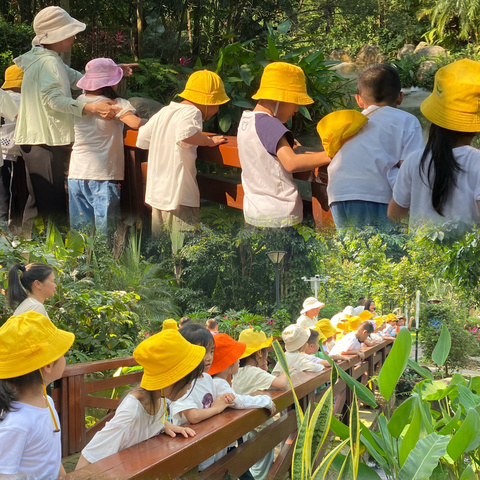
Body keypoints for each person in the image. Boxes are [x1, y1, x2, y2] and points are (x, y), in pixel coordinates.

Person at [14, 6, 120, 225]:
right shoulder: (49, 62)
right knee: (51, 204)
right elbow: (53, 100)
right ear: (56, 35)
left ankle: (29, 250)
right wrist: (92, 108)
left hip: (36, 139)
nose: (73, 36)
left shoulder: (45, 58)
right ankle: (54, 254)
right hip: (44, 140)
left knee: (38, 201)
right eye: (69, 32)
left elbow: (78, 80)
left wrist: (109, 74)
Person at [75, 320, 205, 468]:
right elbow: (89, 456)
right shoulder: (131, 412)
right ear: (170, 380)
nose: (189, 388)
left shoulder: (159, 398)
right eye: (188, 382)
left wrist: (164, 425)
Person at [324, 64, 424, 229]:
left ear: (358, 99)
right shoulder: (407, 120)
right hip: (375, 195)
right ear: (400, 97)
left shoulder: (349, 123)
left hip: (339, 194)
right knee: (385, 251)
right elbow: (411, 168)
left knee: (352, 251)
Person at [388, 59, 480, 230]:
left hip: (423, 255)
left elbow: (394, 215)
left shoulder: (414, 160)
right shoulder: (476, 161)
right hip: (468, 256)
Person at [237, 62, 330, 228]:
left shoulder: (246, 120)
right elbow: (291, 163)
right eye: (295, 102)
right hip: (279, 215)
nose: (296, 109)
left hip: (254, 212)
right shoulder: (270, 125)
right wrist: (328, 155)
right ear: (280, 98)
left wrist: (286, 142)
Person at [136, 70, 229, 234]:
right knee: (186, 251)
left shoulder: (165, 111)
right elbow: (186, 134)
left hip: (158, 194)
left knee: (162, 251)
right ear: (208, 102)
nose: (218, 109)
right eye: (218, 104)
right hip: (179, 195)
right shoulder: (193, 112)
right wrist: (208, 141)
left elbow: (142, 138)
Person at [68, 58, 143, 236]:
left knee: (81, 232)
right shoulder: (117, 104)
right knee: (105, 233)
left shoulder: (80, 102)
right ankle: (103, 264)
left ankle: (79, 263)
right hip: (104, 175)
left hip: (77, 173)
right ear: (113, 83)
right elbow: (136, 123)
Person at [0, 311, 74, 479]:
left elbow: (50, 457)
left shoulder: (46, 401)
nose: (64, 358)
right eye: (62, 353)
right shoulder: (16, 424)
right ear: (48, 365)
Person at [208, 333, 276, 479]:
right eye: (236, 357)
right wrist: (265, 400)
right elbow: (238, 401)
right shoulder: (219, 383)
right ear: (228, 362)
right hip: (220, 447)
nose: (240, 360)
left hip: (221, 444)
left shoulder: (216, 381)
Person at [170, 324, 236, 471]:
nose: (209, 358)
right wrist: (217, 408)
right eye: (203, 352)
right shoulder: (182, 383)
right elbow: (193, 415)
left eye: (211, 351)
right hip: (192, 450)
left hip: (211, 444)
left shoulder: (206, 378)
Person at [232, 328, 287, 480]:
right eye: (265, 351)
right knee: (261, 462)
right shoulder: (254, 372)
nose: (267, 355)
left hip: (245, 424)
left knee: (253, 459)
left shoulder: (238, 371)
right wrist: (285, 368)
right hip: (260, 424)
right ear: (258, 353)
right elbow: (281, 383)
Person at [1, 66, 23, 229]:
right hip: (10, 152)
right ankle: (6, 229)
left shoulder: (3, 96)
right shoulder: (22, 100)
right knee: (6, 193)